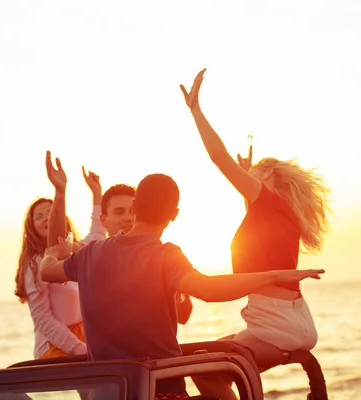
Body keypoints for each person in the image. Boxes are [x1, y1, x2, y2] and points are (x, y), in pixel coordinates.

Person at [40, 173, 325, 400]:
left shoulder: (91, 254)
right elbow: (210, 290)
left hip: (108, 394)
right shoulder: (165, 256)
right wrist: (273, 275)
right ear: (174, 214)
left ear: (136, 207)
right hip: (163, 393)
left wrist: (53, 254)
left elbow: (48, 272)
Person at [180, 68, 332, 399]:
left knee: (202, 367)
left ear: (271, 177)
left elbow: (219, 158)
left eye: (255, 171)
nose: (248, 174)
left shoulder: (269, 202)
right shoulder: (283, 213)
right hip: (295, 323)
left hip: (274, 325)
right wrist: (250, 169)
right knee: (206, 360)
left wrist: (196, 110)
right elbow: (256, 230)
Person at [50, 175, 194, 324]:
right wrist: (60, 193)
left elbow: (184, 316)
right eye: (119, 212)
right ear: (103, 220)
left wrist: (176, 294)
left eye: (132, 211)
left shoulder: (163, 257)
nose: (128, 218)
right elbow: (57, 247)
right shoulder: (92, 255)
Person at [14, 151, 107, 359]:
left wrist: (96, 193)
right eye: (39, 216)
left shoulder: (73, 250)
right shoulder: (34, 264)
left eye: (51, 212)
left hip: (84, 337)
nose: (46, 218)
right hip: (55, 345)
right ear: (31, 226)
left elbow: (98, 234)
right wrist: (79, 349)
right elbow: (43, 320)